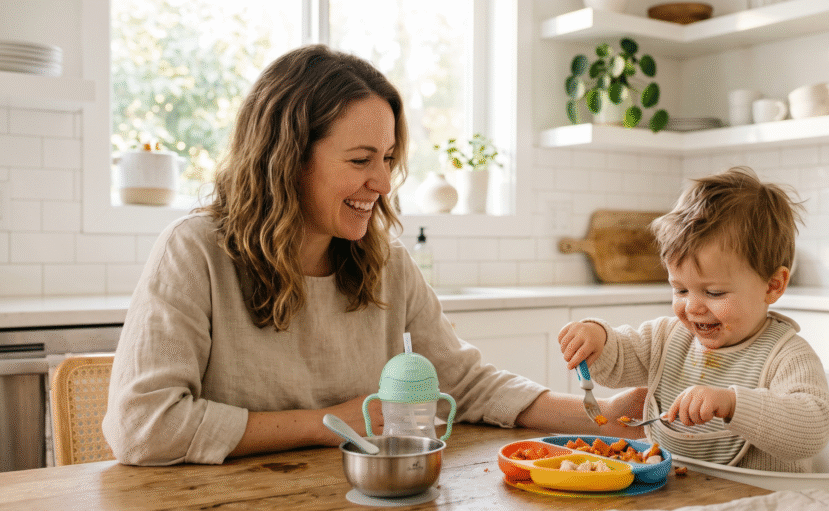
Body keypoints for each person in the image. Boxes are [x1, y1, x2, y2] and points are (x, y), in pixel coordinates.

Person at [102, 44, 644, 466]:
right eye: (361, 159)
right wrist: (326, 423)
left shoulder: (385, 263)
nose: (382, 182)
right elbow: (143, 426)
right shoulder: (195, 252)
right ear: (287, 158)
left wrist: (598, 416)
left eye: (387, 158)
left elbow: (464, 383)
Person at [558, 167, 829, 472]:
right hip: (685, 501)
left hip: (767, 508)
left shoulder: (787, 356)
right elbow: (619, 359)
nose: (692, 307)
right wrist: (597, 339)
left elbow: (813, 428)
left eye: (714, 292)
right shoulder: (670, 337)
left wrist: (733, 403)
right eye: (680, 289)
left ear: (773, 286)